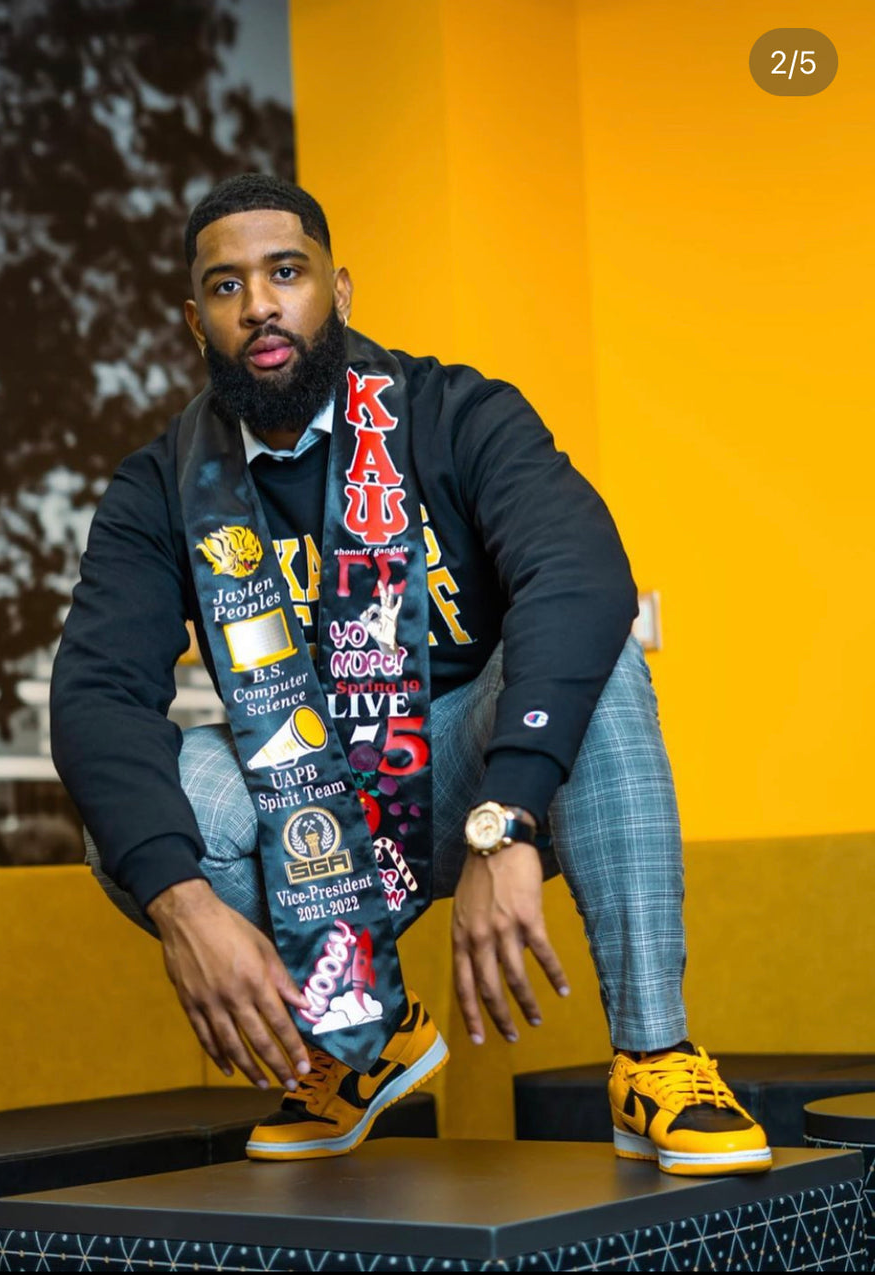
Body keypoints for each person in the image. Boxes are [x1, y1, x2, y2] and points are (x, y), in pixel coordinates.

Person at [50, 173, 771, 1175]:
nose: (259, 304)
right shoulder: (160, 487)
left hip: (465, 766)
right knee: (150, 810)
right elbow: (95, 698)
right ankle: (359, 1035)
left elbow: (578, 571)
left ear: (337, 293)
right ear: (194, 320)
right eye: (226, 286)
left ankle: (654, 1054)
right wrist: (181, 907)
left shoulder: (453, 413)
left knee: (592, 648)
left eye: (285, 273)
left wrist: (505, 814)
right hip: (306, 796)